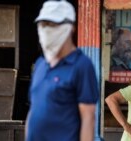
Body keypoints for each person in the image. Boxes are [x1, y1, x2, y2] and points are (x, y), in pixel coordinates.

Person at [25, 1, 99, 141]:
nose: (47, 30)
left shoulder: (82, 65)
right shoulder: (41, 64)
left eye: (53, 25)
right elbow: (33, 110)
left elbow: (88, 118)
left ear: (70, 28)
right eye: (43, 25)